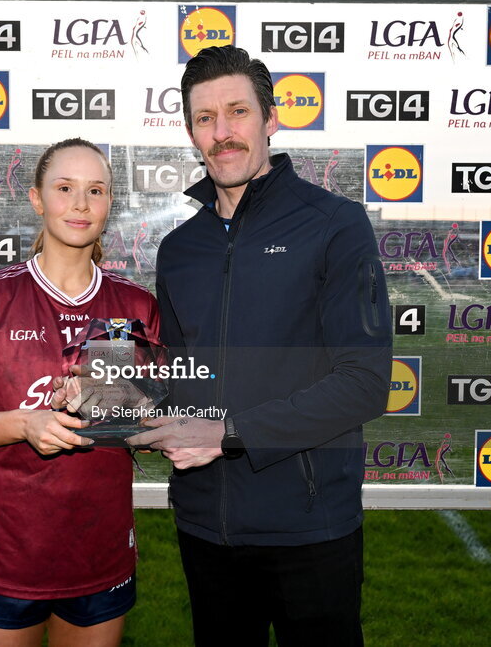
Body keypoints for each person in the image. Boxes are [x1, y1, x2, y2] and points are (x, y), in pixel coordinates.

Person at [128, 46, 392, 646]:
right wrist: (112, 396)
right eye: (204, 118)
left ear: (270, 119)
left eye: (238, 112)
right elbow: (178, 373)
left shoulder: (335, 224)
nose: (222, 133)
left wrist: (227, 434)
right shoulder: (180, 249)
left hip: (310, 527)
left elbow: (366, 382)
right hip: (205, 526)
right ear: (190, 130)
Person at [0, 138, 160, 647]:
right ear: (36, 199)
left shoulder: (136, 306)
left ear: (109, 203)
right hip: (4, 554)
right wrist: (24, 422)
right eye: (65, 188)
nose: (80, 204)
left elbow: (158, 424)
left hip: (100, 552)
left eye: (95, 190)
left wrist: (118, 409)